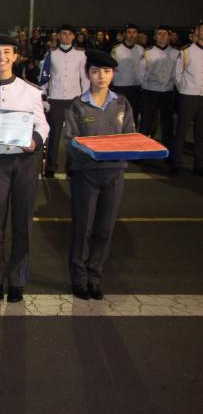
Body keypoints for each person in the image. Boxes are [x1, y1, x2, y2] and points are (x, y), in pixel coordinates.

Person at [0, 34, 49, 303]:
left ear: (15, 56)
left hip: (25, 161)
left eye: (7, 52)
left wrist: (35, 140)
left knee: (22, 223)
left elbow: (43, 125)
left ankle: (17, 280)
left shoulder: (30, 91)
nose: (1, 57)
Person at [63, 50, 135, 300]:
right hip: (86, 174)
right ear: (88, 75)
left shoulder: (122, 103)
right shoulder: (78, 105)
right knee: (83, 227)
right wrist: (92, 155)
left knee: (104, 229)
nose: (101, 76)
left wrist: (117, 153)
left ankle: (95, 277)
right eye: (95, 71)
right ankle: (79, 278)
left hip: (114, 173)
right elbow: (70, 141)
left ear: (113, 74)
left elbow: (129, 137)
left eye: (106, 71)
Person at [38, 23, 88, 178]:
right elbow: (44, 77)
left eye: (69, 34)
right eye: (63, 33)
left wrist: (85, 98)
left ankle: (72, 165)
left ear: (74, 36)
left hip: (74, 99)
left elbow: (84, 78)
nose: (66, 36)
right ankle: (51, 166)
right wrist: (44, 98)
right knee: (54, 135)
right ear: (58, 36)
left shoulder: (81, 55)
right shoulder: (51, 54)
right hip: (56, 99)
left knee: (74, 134)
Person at [172, 20, 203, 176]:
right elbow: (177, 74)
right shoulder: (186, 51)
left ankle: (199, 164)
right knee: (181, 131)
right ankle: (176, 163)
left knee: (200, 133)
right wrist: (184, 88)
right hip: (188, 95)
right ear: (197, 31)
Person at [138, 26, 177, 148]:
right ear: (155, 37)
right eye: (159, 34)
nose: (162, 36)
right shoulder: (148, 52)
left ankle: (167, 151)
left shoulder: (176, 53)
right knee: (146, 122)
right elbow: (141, 72)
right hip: (150, 91)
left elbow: (177, 73)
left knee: (167, 123)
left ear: (169, 36)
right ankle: (142, 151)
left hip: (167, 91)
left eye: (164, 34)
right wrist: (145, 87)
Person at [111, 23, 143, 125]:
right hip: (121, 87)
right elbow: (111, 68)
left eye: (134, 32)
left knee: (134, 113)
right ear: (125, 34)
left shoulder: (141, 49)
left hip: (136, 87)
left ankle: (132, 137)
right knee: (119, 114)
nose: (131, 35)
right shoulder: (116, 49)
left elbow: (143, 68)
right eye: (129, 32)